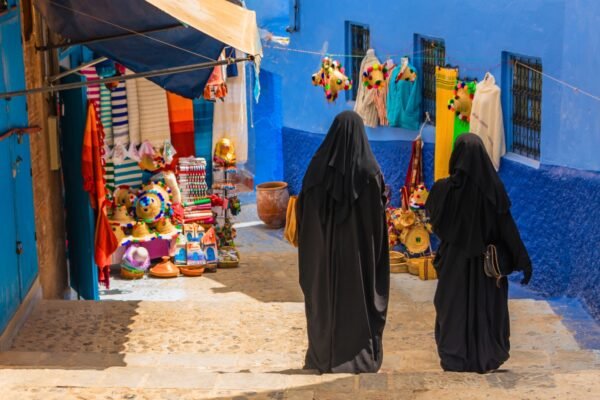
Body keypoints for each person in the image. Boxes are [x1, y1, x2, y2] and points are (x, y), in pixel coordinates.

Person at [425, 133, 532, 373]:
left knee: (452, 307)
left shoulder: (443, 190)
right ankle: (486, 356)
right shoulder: (494, 191)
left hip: (454, 264)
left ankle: (454, 357)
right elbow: (508, 229)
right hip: (486, 267)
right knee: (486, 310)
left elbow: (433, 220)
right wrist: (523, 260)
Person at [296, 110, 390, 374]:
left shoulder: (316, 169)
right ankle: (359, 358)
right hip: (359, 261)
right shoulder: (369, 173)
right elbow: (377, 227)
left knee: (323, 303)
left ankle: (323, 357)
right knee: (358, 304)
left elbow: (304, 216)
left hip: (323, 258)